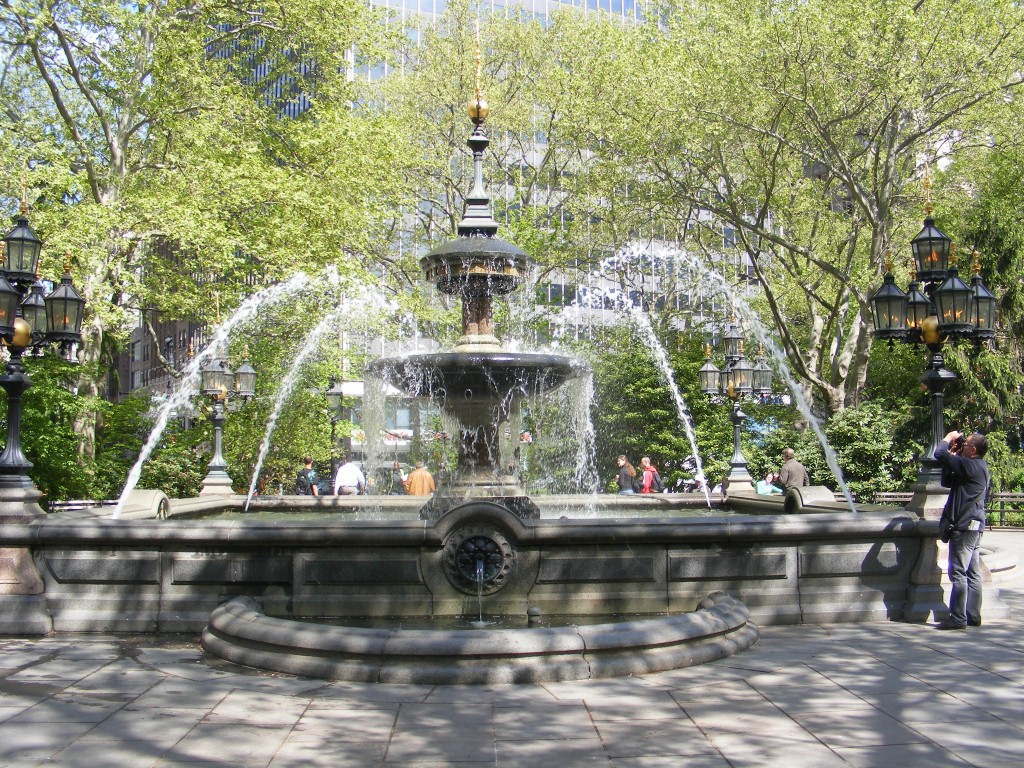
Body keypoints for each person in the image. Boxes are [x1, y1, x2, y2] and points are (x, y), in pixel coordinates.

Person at [935, 429, 990, 630]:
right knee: (973, 572)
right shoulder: (979, 467)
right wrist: (955, 455)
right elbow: (947, 481)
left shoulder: (970, 466)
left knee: (958, 572)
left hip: (965, 527)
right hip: (975, 526)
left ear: (973, 449)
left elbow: (938, 454)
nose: (962, 445)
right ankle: (973, 616)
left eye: (965, 444)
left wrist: (947, 439)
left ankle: (958, 618)